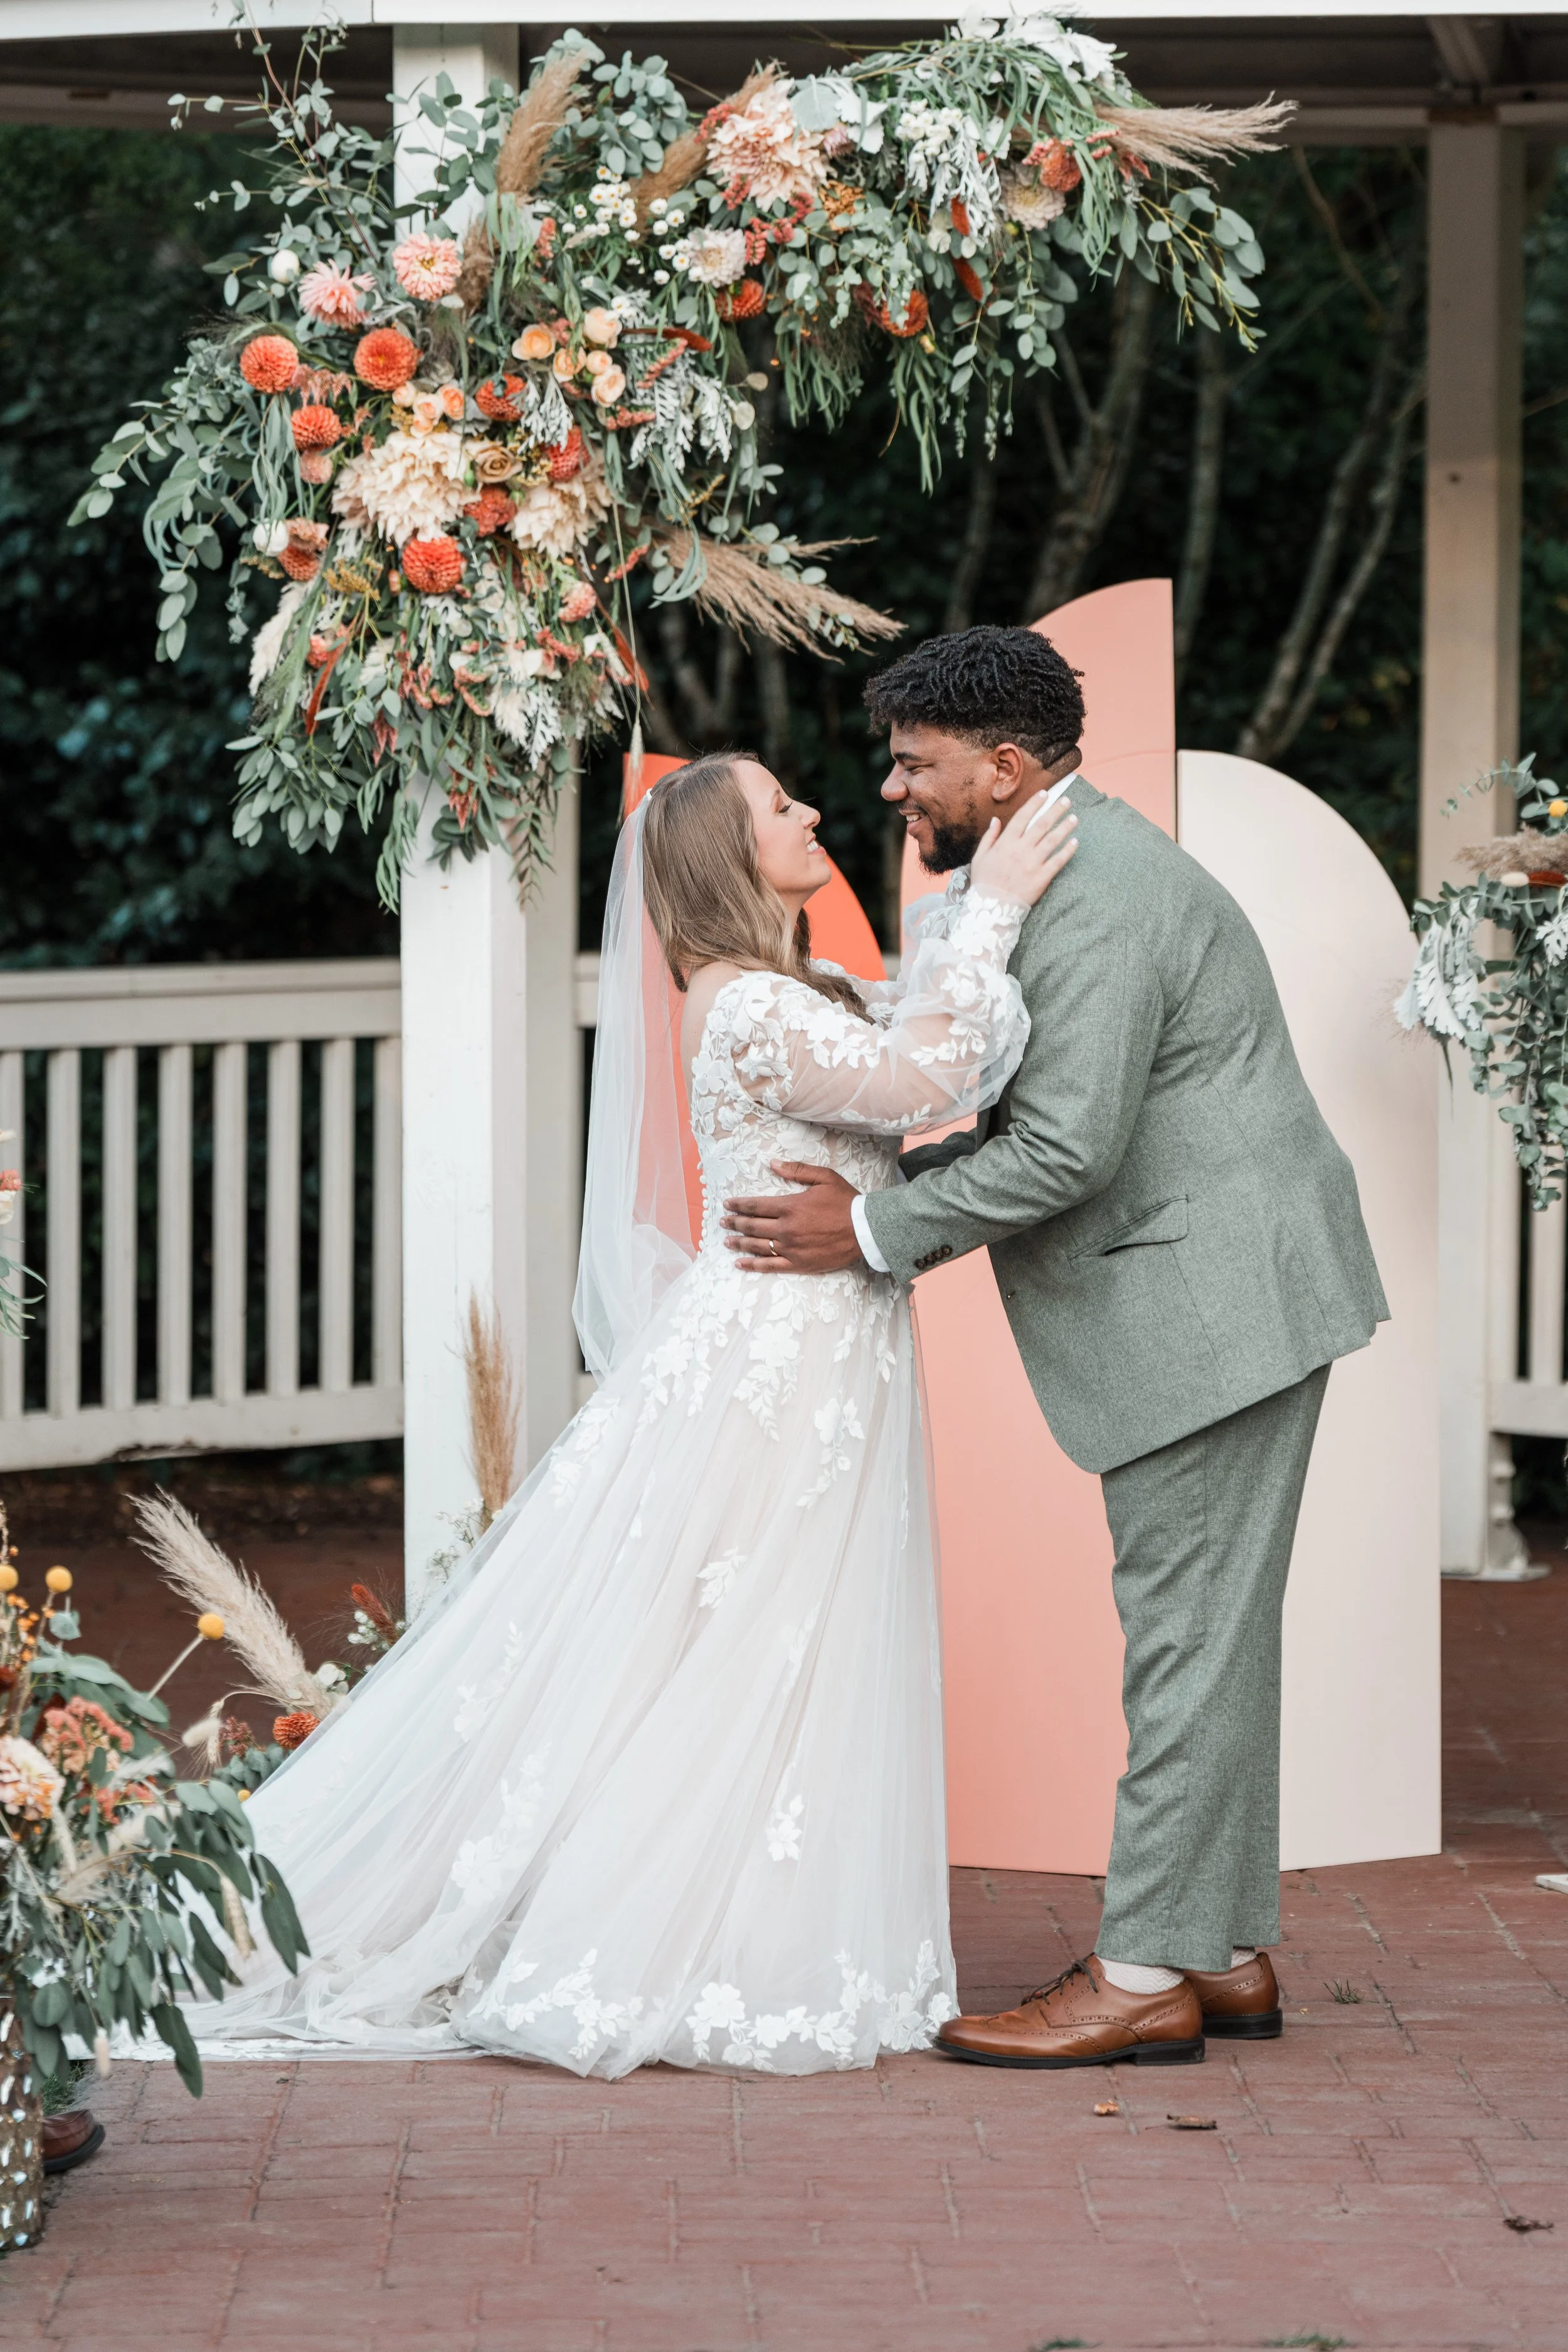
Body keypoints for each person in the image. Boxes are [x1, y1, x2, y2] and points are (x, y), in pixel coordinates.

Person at [184, 750, 1078, 2079]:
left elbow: (923, 1039)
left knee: (774, 1638)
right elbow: (925, 1080)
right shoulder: (748, 1008)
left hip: (822, 1351)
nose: (815, 813)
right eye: (780, 806)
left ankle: (743, 1925)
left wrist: (964, 915)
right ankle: (675, 1939)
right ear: (724, 853)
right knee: (749, 1636)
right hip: (779, 1362)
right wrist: (992, 903)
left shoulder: (784, 992)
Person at [723, 626, 1389, 2070]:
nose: (893, 791)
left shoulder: (1094, 896)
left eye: (915, 766)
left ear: (1005, 766)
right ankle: (1213, 1949)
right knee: (1207, 1638)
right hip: (1224, 1285)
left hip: (1212, 1300)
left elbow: (1069, 1150)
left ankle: (1143, 1967)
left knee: (1185, 1644)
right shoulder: (1060, 870)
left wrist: (875, 1231)